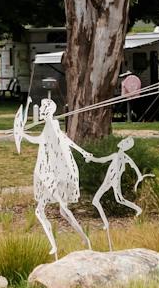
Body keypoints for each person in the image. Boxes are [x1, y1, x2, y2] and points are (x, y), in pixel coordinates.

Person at [14, 95, 102, 256]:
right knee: (48, 211)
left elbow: (58, 141)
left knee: (55, 209)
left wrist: (22, 133)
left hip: (53, 174)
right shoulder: (51, 124)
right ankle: (74, 241)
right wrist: (83, 152)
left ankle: (82, 239)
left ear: (47, 110)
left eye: (41, 108)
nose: (39, 110)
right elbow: (57, 140)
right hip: (51, 173)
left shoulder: (52, 125)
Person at [93, 136, 148, 248]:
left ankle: (137, 209)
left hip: (114, 180)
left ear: (125, 146)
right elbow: (102, 160)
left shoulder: (124, 157)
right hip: (108, 180)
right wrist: (91, 159)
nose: (122, 142)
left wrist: (139, 176)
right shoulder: (115, 155)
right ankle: (106, 223)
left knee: (119, 199)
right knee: (96, 200)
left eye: (125, 142)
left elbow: (134, 166)